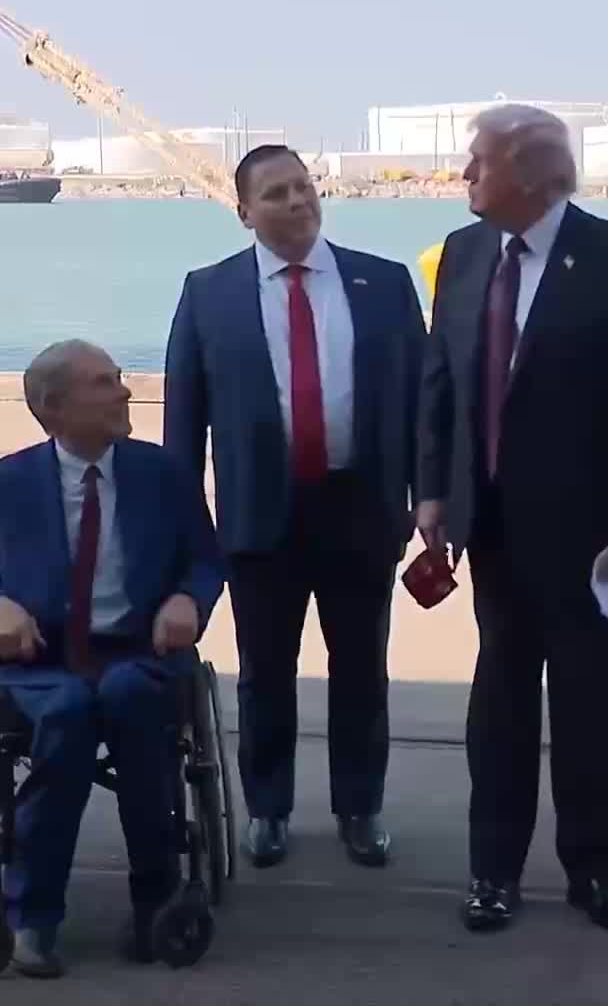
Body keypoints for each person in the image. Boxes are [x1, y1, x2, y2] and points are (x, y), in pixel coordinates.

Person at [415, 103, 608, 933]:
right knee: (500, 703)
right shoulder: (461, 254)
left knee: (591, 705)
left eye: (477, 162)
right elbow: (442, 384)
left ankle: (595, 870)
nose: (464, 177)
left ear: (529, 174)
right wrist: (432, 490)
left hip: (591, 534)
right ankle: (493, 871)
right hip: (489, 526)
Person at [164, 145, 427, 869]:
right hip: (259, 516)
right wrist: (182, 530)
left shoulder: (384, 283)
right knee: (265, 672)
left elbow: (421, 405)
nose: (297, 202)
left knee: (361, 669)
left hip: (361, 509)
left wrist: (425, 499)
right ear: (244, 211)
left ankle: (359, 807)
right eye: (276, 193)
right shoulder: (208, 292)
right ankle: (269, 809)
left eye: (305, 188)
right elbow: (183, 422)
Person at [0, 339, 226, 978]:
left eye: (121, 378)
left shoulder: (164, 475)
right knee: (68, 711)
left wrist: (187, 599)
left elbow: (205, 561)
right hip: (42, 664)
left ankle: (157, 897)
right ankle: (32, 915)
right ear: (53, 407)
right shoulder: (3, 484)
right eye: (104, 383)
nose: (125, 392)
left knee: (131, 699)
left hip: (140, 654)